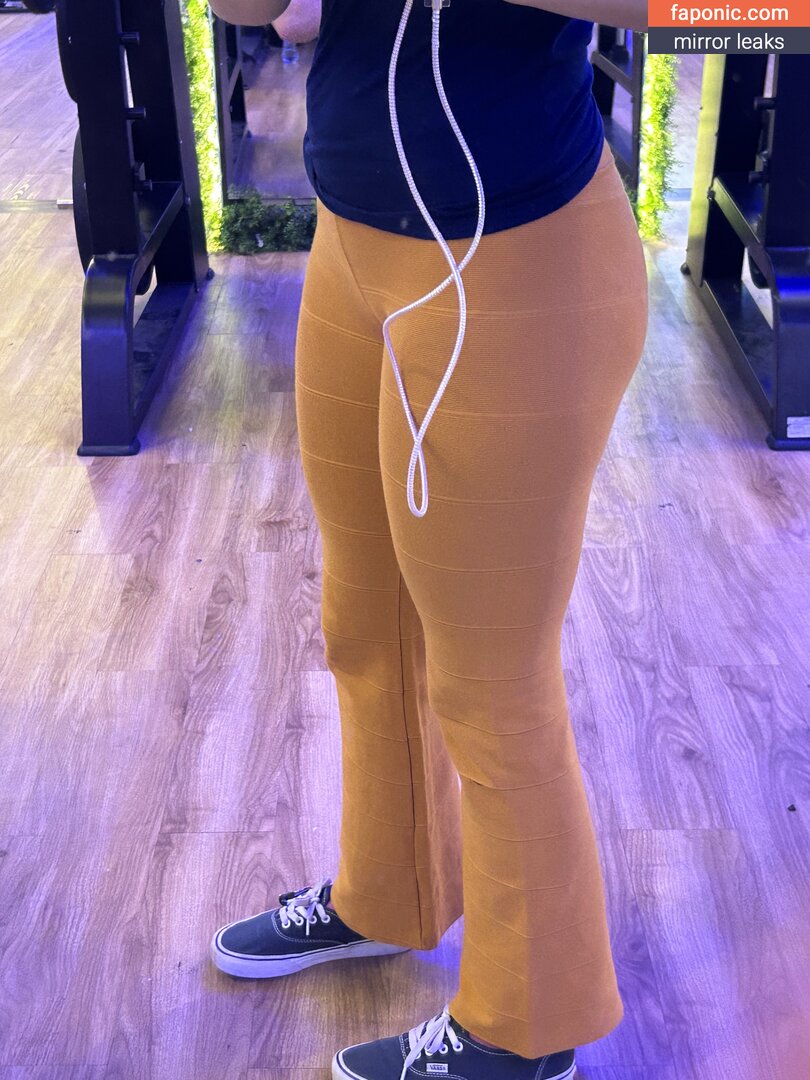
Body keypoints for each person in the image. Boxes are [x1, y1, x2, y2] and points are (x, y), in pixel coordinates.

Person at [207, 1, 649, 1078]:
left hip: (517, 258)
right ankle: (387, 891)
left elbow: (766, 16)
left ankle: (525, 1028)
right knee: (367, 624)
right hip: (354, 238)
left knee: (492, 683)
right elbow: (265, 13)